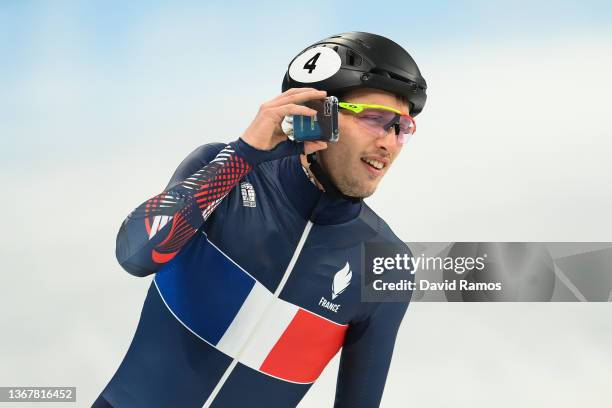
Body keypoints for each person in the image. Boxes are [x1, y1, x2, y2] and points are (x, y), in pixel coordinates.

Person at [93, 31, 427, 408]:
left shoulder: (386, 264)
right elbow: (136, 256)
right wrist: (244, 153)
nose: (390, 143)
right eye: (377, 120)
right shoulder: (221, 172)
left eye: (402, 129)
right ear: (320, 113)